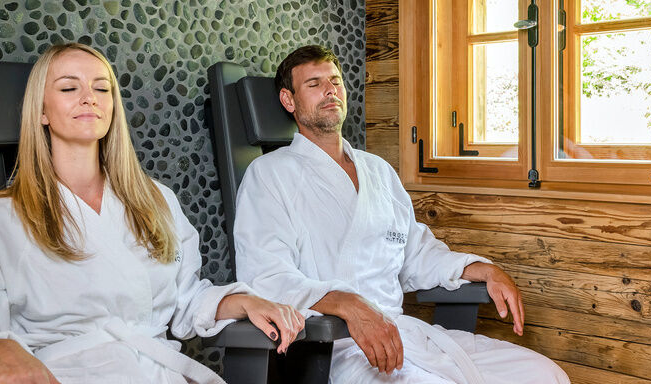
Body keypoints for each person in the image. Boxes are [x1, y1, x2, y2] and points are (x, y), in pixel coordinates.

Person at [0, 42, 304, 384]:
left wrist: (245, 301)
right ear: (41, 111)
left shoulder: (156, 201)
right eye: (70, 88)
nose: (89, 97)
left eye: (102, 88)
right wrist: (0, 350)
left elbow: (185, 300)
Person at [233, 45, 569, 384]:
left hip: (404, 333)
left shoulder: (377, 171)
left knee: (544, 374)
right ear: (289, 101)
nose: (330, 90)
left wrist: (482, 269)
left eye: (335, 81)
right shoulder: (269, 175)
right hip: (337, 345)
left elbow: (415, 253)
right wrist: (348, 305)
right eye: (314, 84)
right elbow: (265, 276)